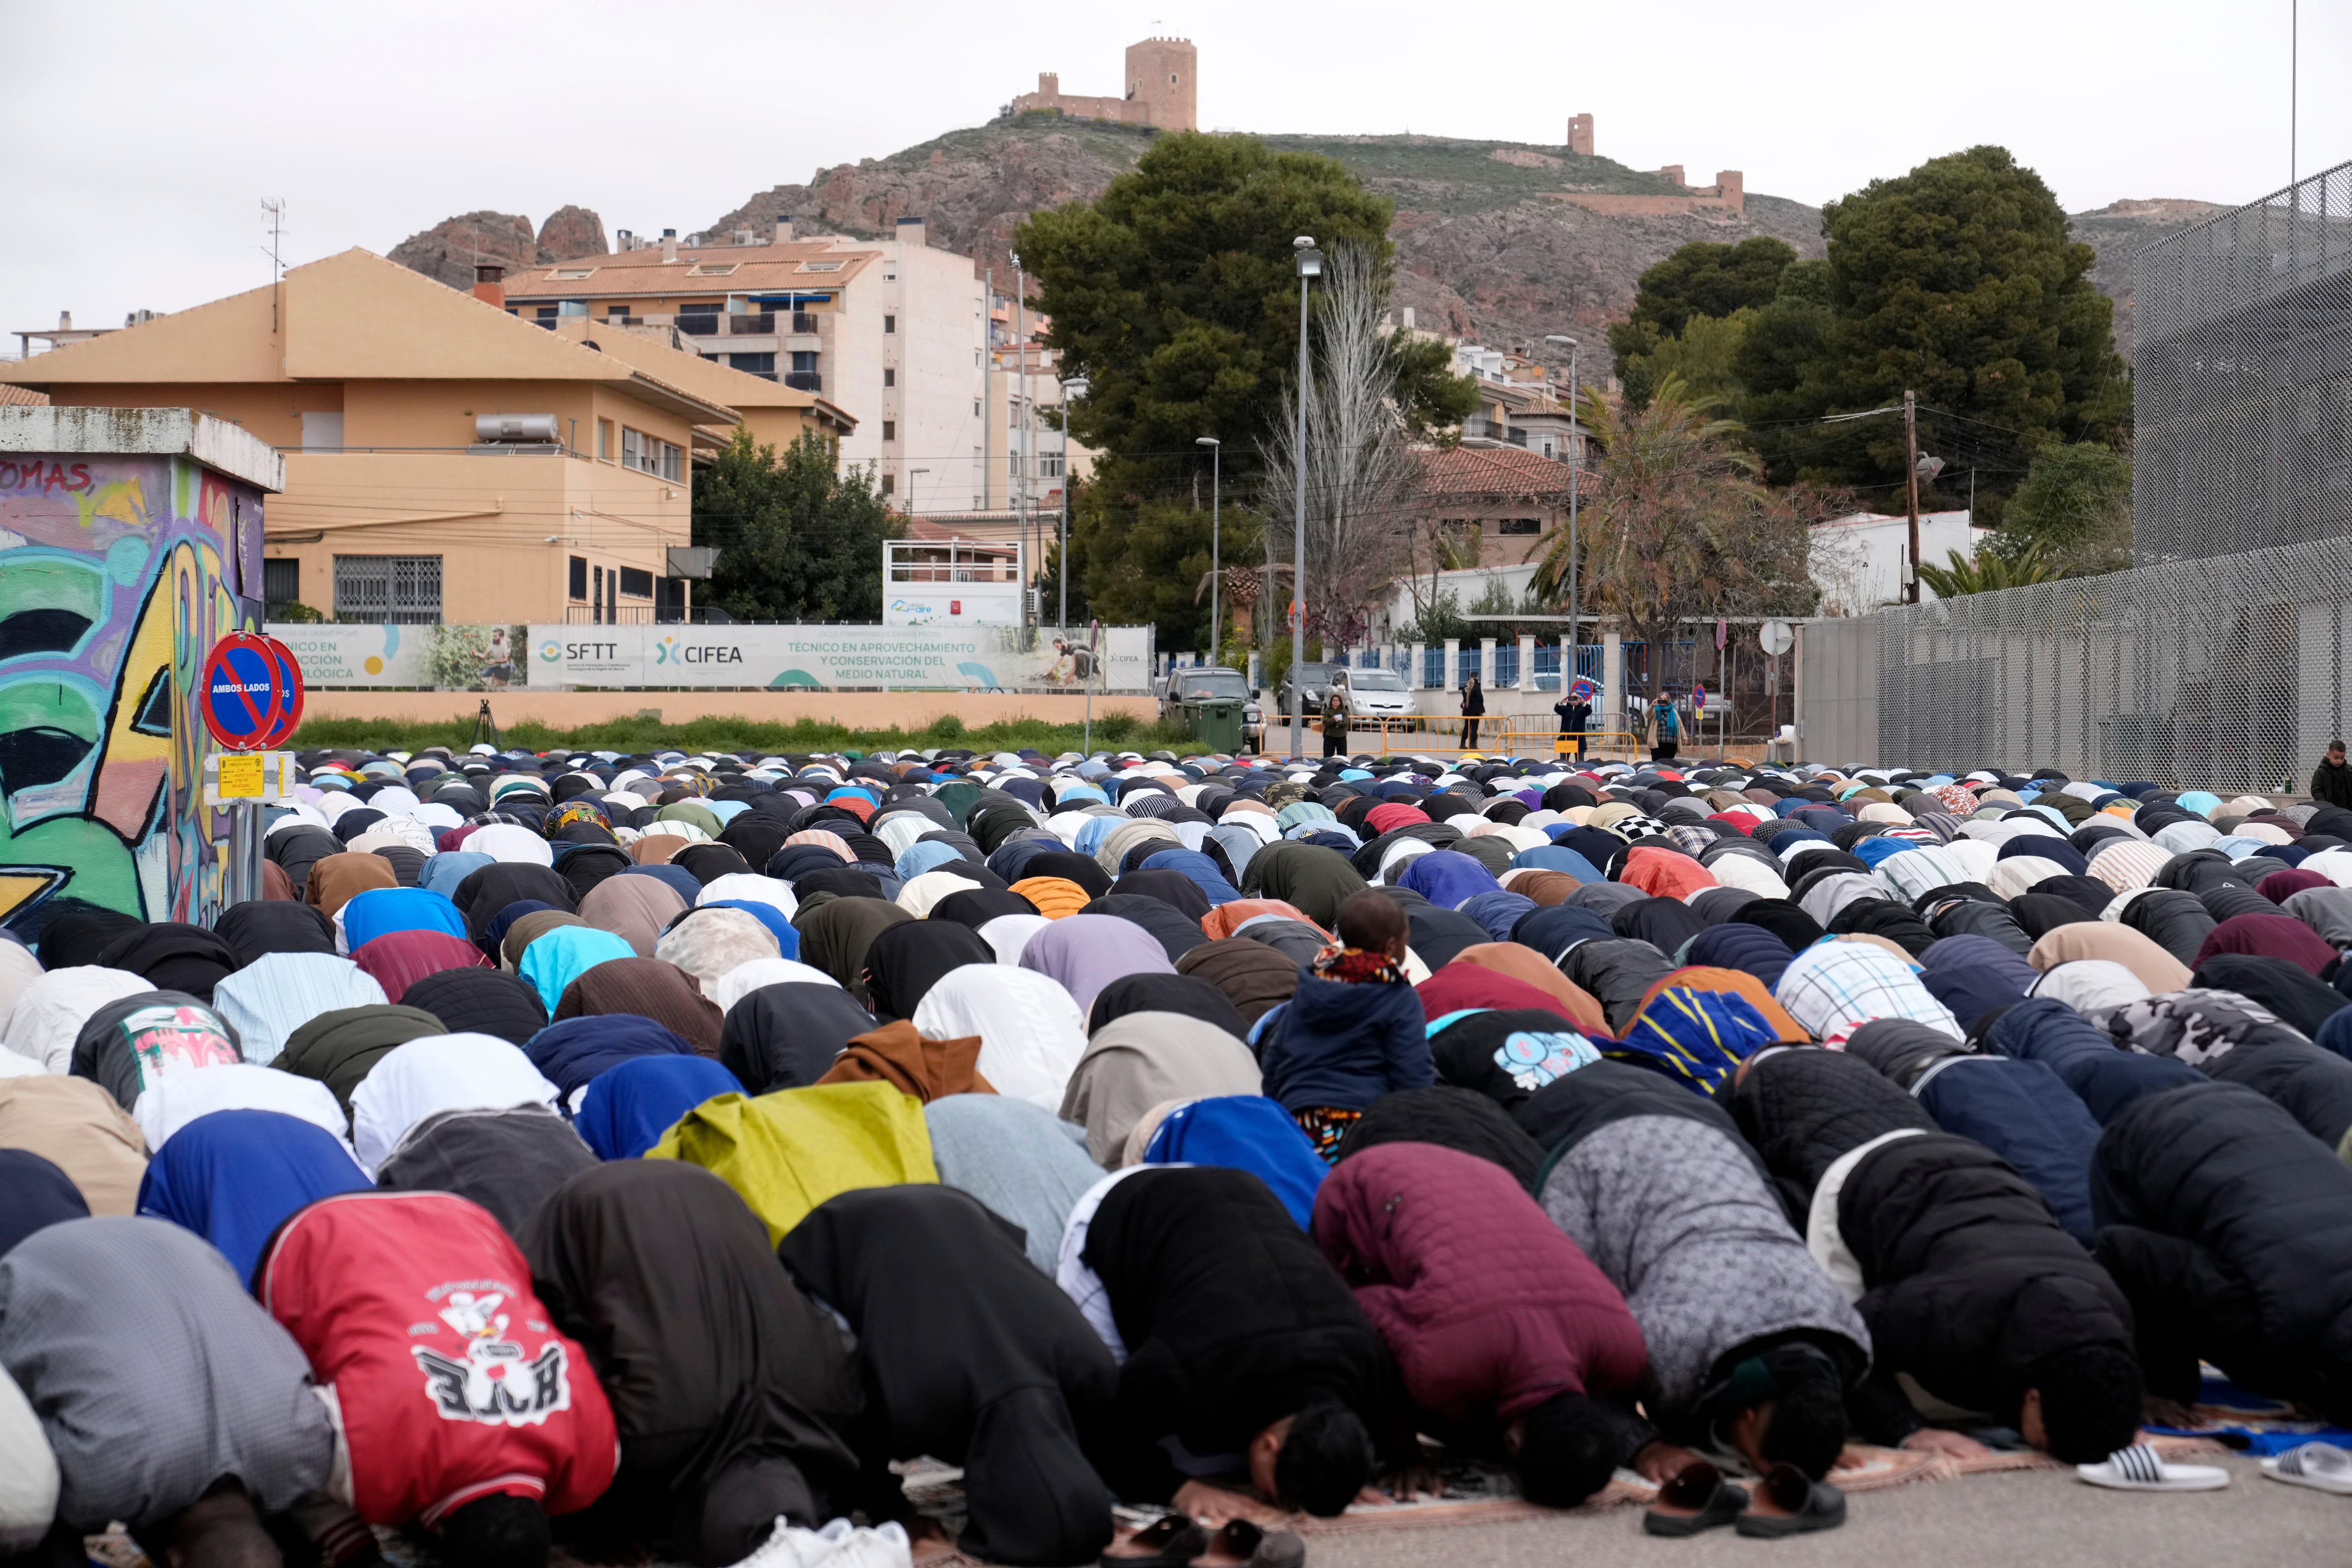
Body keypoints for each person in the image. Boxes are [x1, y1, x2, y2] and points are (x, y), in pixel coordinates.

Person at [1729, 1048, 2143, 1464]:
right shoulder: (1949, 1313)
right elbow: (1848, 1336)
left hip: (1978, 1169)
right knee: (1825, 1322)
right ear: (2033, 1399)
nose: (2038, 1448)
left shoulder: (2113, 1315)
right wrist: (1907, 1430)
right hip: (1865, 1184)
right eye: (2042, 1442)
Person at [1524, 1061, 1898, 1481]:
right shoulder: (1666, 1338)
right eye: (1753, 1465)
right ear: (1748, 1414)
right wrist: (1645, 1445)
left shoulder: (1842, 1328)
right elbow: (1567, 1361)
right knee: (1544, 1287)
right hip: (1577, 1122)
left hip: (1701, 1122)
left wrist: (1816, 1442)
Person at [524, 1162, 862, 1567]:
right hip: (590, 1209)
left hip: (685, 1196)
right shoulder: (651, 1428)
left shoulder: (829, 1408)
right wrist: (599, 1537)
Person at [258, 1190, 619, 1568]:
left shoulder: (596, 1453)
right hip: (316, 1237)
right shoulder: (368, 1462)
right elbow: (289, 1465)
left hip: (462, 1220)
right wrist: (358, 1553)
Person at [779, 1185, 1118, 1565]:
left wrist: (900, 1516)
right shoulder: (925, 1399)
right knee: (829, 1364)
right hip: (831, 1240)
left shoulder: (1092, 1365)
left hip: (955, 1208)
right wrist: (897, 1518)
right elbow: (840, 1419)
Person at [1069, 1165, 1413, 1520]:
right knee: (1184, 1457)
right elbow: (1096, 1426)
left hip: (1236, 1186)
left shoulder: (1365, 1355)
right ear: (1269, 1446)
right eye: (1284, 1500)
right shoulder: (1190, 1366)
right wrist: (1178, 1489)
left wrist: (1388, 1461)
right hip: (1120, 1207)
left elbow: (1393, 1412)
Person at [1314, 1141, 1646, 1508]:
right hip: (1361, 1186)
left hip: (1484, 1171)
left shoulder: (1625, 1346)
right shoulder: (1444, 1359)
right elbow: (1358, 1308)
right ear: (1512, 1442)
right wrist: (1401, 1453)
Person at [0, 1217, 335, 1568]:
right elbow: (29, 1442)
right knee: (34, 1507)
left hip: (178, 1245)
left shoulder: (307, 1448)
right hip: (31, 1268)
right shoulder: (102, 1485)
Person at [2093, 1079, 2352, 1424]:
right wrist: (2153, 1389)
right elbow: (2120, 1249)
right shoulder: (2255, 1313)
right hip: (2145, 1138)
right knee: (2166, 1369)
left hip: (2258, 1113)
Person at [1256, 891, 1434, 1159]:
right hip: (1363, 1123)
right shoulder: (1397, 997)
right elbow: (1412, 1071)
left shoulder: (1311, 986)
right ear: (1390, 947)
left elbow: (1276, 1055)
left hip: (1300, 1117)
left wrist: (1275, 1110)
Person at [1553, 685, 1591, 761]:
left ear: (1578, 698)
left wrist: (1583, 702)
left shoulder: (1582, 710)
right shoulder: (1565, 709)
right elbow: (1557, 709)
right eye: (1572, 698)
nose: (1574, 699)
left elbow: (1589, 711)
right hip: (1566, 739)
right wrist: (1562, 702)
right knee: (1563, 762)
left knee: (1580, 762)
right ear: (1569, 699)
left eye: (1575, 697)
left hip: (1579, 740)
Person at [1321, 669, 1352, 760]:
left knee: (1342, 758)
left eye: (1337, 700)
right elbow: (1325, 722)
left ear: (1340, 702)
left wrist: (1336, 723)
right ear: (1332, 702)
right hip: (1329, 736)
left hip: (1341, 736)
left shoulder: (1344, 711)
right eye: (1334, 700)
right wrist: (1333, 720)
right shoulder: (1328, 711)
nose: (1336, 702)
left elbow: (1345, 723)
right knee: (1327, 757)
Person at [2313, 740, 2352, 809]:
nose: (2339, 761)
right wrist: (2324, 804)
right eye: (2336, 758)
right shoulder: (2321, 772)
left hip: (2347, 809)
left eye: (2342, 758)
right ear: (2328, 755)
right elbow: (2316, 790)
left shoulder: (2348, 770)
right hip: (2329, 809)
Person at [1650, 688, 1680, 761]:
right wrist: (1652, 705)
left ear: (1668, 700)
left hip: (1671, 743)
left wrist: (1684, 737)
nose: (1663, 700)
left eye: (1665, 699)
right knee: (1658, 763)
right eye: (1661, 699)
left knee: (1669, 764)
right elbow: (1647, 715)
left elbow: (1680, 725)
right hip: (1658, 743)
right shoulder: (1655, 711)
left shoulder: (1674, 712)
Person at [1460, 674, 1485, 752]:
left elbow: (1465, 700)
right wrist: (1481, 711)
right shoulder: (1476, 687)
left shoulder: (1465, 687)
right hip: (1475, 711)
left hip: (1467, 711)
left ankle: (1462, 743)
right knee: (1474, 728)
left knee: (1467, 727)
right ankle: (1473, 745)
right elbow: (1480, 700)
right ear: (1477, 678)